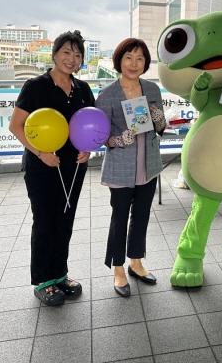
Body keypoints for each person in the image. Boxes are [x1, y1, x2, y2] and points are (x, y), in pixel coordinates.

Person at [9, 30, 95, 306]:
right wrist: (40, 152)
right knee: (45, 220)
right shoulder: (35, 86)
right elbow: (16, 126)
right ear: (55, 54)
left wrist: (88, 149)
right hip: (42, 165)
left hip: (74, 165)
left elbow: (90, 126)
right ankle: (43, 281)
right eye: (67, 52)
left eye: (78, 54)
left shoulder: (83, 89)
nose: (72, 59)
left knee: (66, 220)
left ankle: (60, 274)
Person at [95, 37, 165, 297]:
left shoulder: (152, 89)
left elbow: (159, 127)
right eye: (129, 57)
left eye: (140, 58)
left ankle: (136, 262)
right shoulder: (107, 95)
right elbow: (101, 137)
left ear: (145, 63)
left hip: (148, 165)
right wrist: (120, 139)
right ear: (119, 60)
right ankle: (118, 268)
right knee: (119, 218)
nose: (134, 63)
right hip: (121, 167)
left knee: (142, 215)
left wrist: (159, 119)